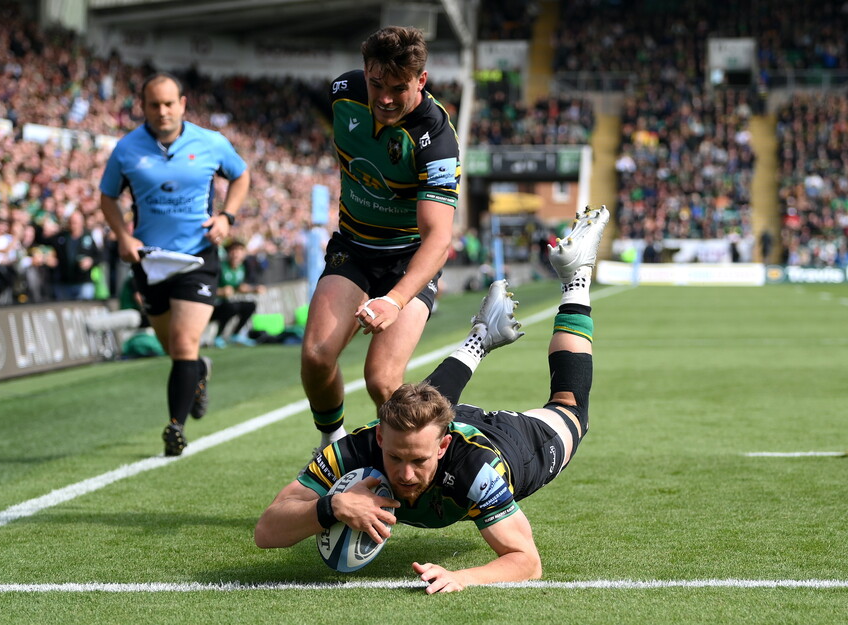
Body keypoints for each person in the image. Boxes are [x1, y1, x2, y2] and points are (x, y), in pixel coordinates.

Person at [256, 206, 609, 593]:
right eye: (396, 458)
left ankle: (576, 279)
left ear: (442, 447)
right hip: (434, 423)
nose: (406, 475)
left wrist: (463, 577)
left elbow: (527, 561)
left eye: (419, 461)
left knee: (571, 408)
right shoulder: (356, 449)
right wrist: (331, 506)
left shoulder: (477, 470)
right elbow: (267, 530)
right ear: (379, 438)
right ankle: (479, 340)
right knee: (415, 407)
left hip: (510, 442)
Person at [301, 26, 461, 452]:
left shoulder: (436, 139)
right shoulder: (343, 92)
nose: (385, 98)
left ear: (421, 81)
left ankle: (415, 466)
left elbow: (438, 238)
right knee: (316, 357)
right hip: (354, 247)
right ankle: (333, 446)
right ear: (364, 71)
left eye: (398, 88)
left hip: (407, 260)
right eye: (376, 84)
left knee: (383, 381)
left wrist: (394, 300)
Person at [98, 71, 251, 456]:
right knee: (174, 348)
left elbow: (241, 175)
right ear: (143, 107)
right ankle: (199, 371)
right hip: (149, 261)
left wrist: (227, 217)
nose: (162, 111)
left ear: (182, 104)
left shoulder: (211, 142)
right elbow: (107, 196)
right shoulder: (127, 149)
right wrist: (123, 237)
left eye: (169, 103)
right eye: (154, 104)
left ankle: (175, 428)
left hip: (197, 257)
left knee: (184, 343)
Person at [212, 239, 264, 347]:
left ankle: (235, 335)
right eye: (233, 250)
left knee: (250, 305)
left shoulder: (244, 267)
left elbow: (242, 287)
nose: (236, 253)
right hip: (214, 305)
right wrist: (220, 291)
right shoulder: (220, 266)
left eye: (240, 250)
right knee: (231, 307)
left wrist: (253, 289)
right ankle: (218, 336)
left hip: (229, 303)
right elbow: (209, 288)